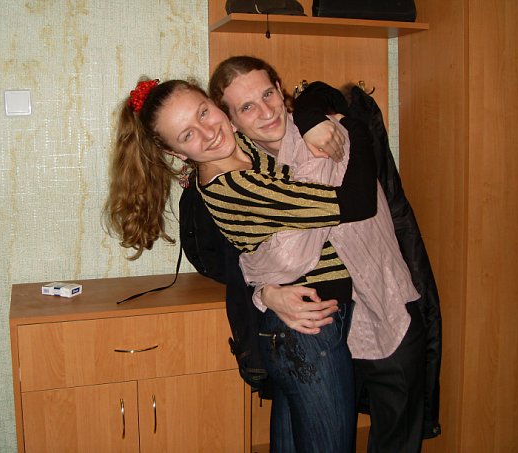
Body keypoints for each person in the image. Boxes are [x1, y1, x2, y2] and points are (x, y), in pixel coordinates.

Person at [105, 77, 380, 452]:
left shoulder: (245, 143)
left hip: (300, 323)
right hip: (309, 330)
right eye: (188, 135)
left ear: (216, 104)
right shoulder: (232, 187)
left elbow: (306, 101)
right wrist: (357, 127)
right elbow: (358, 202)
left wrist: (312, 115)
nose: (209, 133)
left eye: (204, 113)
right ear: (175, 152)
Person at [207, 56, 427, 453]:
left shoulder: (329, 131)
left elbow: (332, 98)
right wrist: (266, 293)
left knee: (396, 440)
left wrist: (329, 117)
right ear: (232, 121)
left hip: (387, 303)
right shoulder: (245, 176)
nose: (266, 112)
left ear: (280, 89)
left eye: (268, 94)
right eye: (247, 107)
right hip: (322, 325)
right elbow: (238, 256)